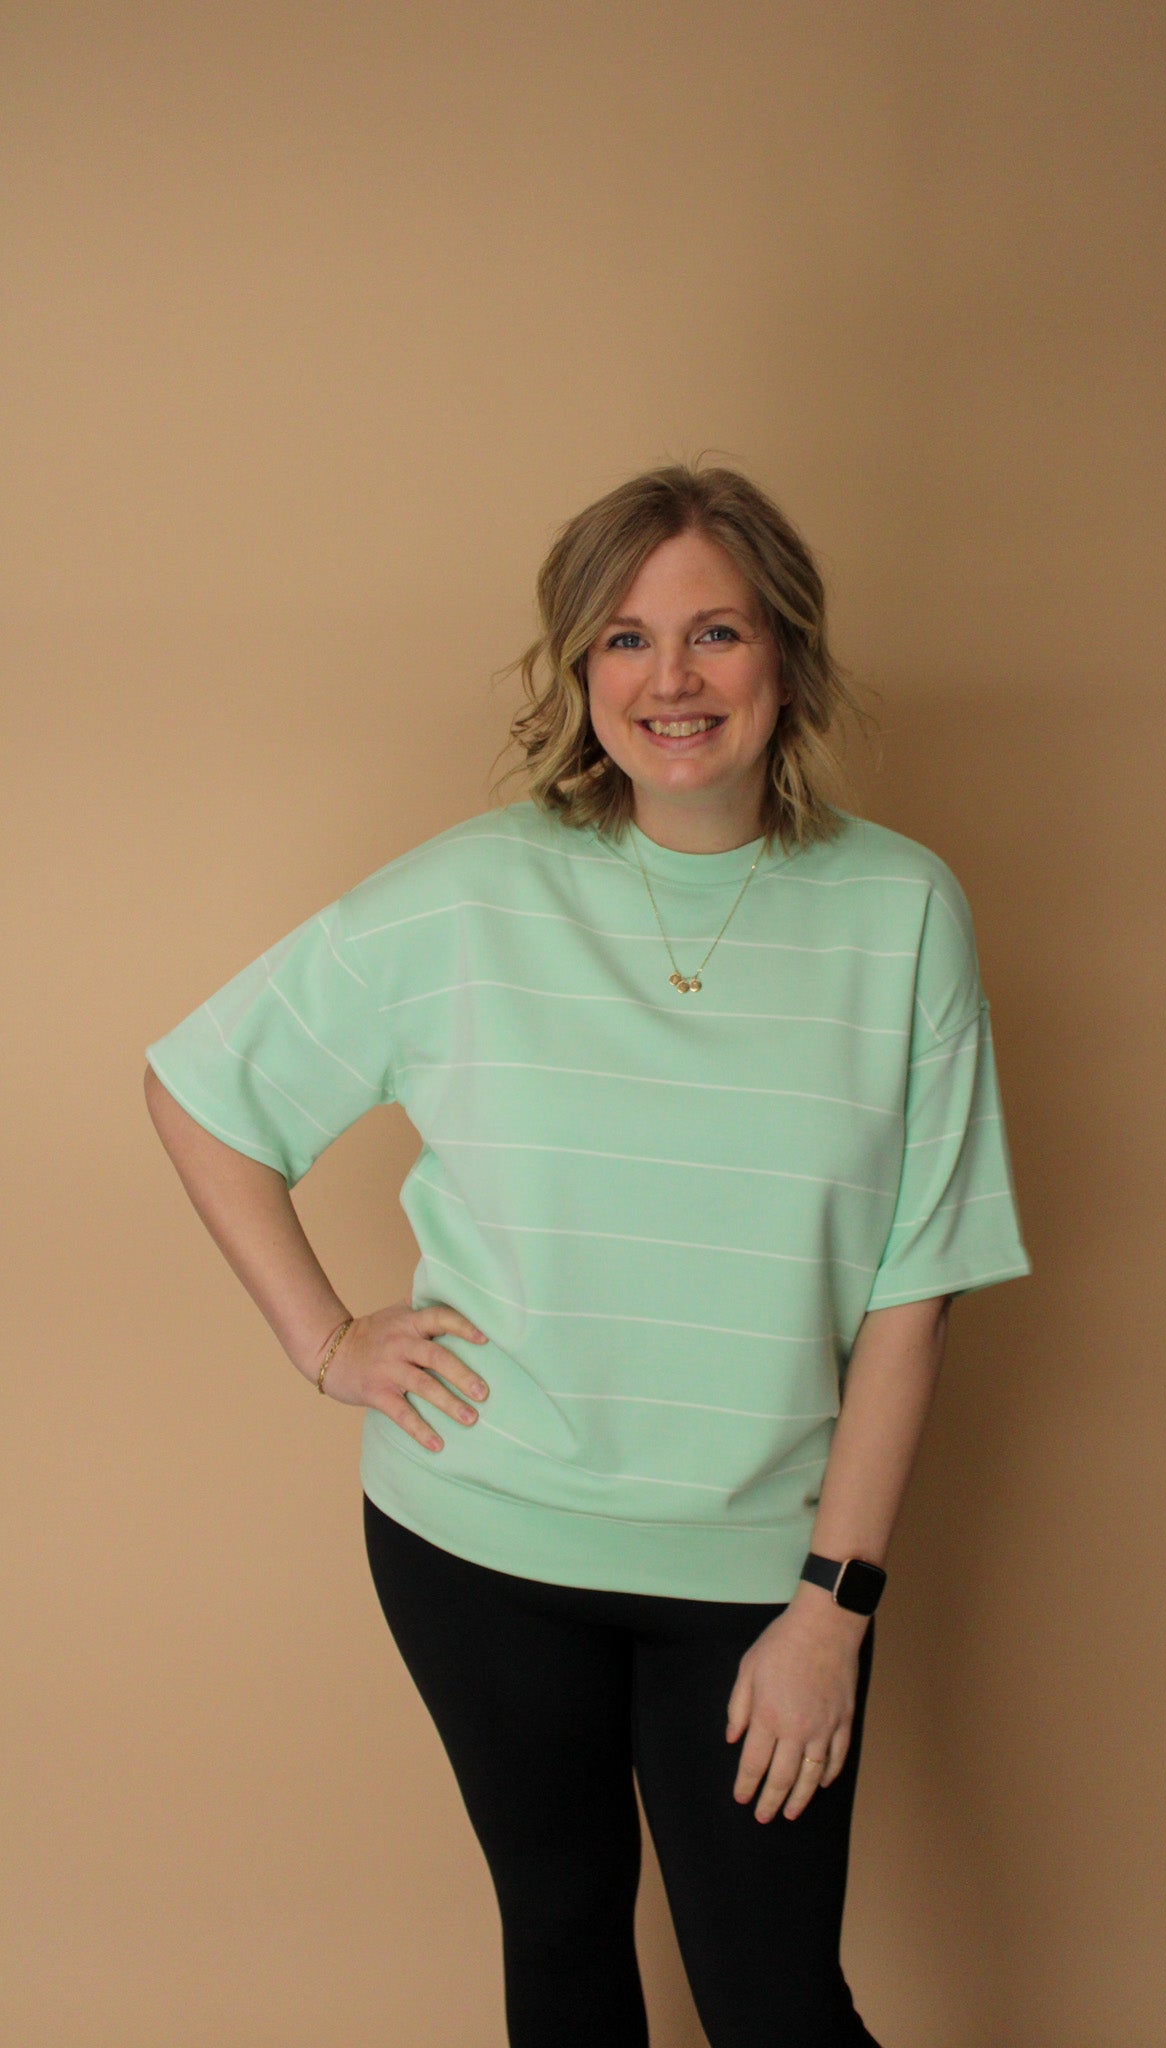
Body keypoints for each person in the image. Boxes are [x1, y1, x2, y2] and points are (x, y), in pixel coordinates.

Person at [144, 461, 1032, 2047]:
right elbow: (201, 1092)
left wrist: (830, 1608)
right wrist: (325, 1341)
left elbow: (916, 1287)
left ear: (786, 656)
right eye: (624, 638)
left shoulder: (902, 912)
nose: (669, 679)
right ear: (578, 670)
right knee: (560, 1940)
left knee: (773, 2001)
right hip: (480, 1541)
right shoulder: (469, 893)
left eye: (715, 633)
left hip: (762, 1571)